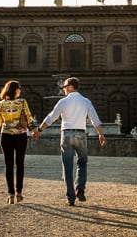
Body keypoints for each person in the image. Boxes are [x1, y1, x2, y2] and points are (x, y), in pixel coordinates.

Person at [31, 76, 106, 206]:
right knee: (82, 162)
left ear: (70, 87)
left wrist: (39, 129)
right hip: (81, 134)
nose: (64, 89)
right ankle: (80, 189)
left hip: (66, 134)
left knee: (67, 167)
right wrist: (101, 134)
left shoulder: (63, 102)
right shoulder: (86, 101)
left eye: (65, 87)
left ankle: (70, 198)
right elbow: (95, 119)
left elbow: (51, 118)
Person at [0, 80, 36, 204]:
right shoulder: (22, 102)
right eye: (19, 88)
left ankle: (10, 194)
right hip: (20, 136)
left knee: (8, 166)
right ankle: (19, 193)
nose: (20, 91)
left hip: (5, 136)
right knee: (20, 165)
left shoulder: (1, 104)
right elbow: (28, 117)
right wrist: (33, 129)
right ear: (15, 90)